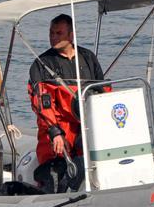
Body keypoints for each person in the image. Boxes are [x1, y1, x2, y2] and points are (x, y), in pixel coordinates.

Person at [28, 14, 104, 193]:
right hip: (57, 128)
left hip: (85, 125)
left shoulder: (88, 58)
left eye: (58, 33)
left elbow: (102, 90)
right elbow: (42, 103)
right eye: (51, 33)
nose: (53, 37)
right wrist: (55, 132)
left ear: (71, 35)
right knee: (56, 174)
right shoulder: (41, 64)